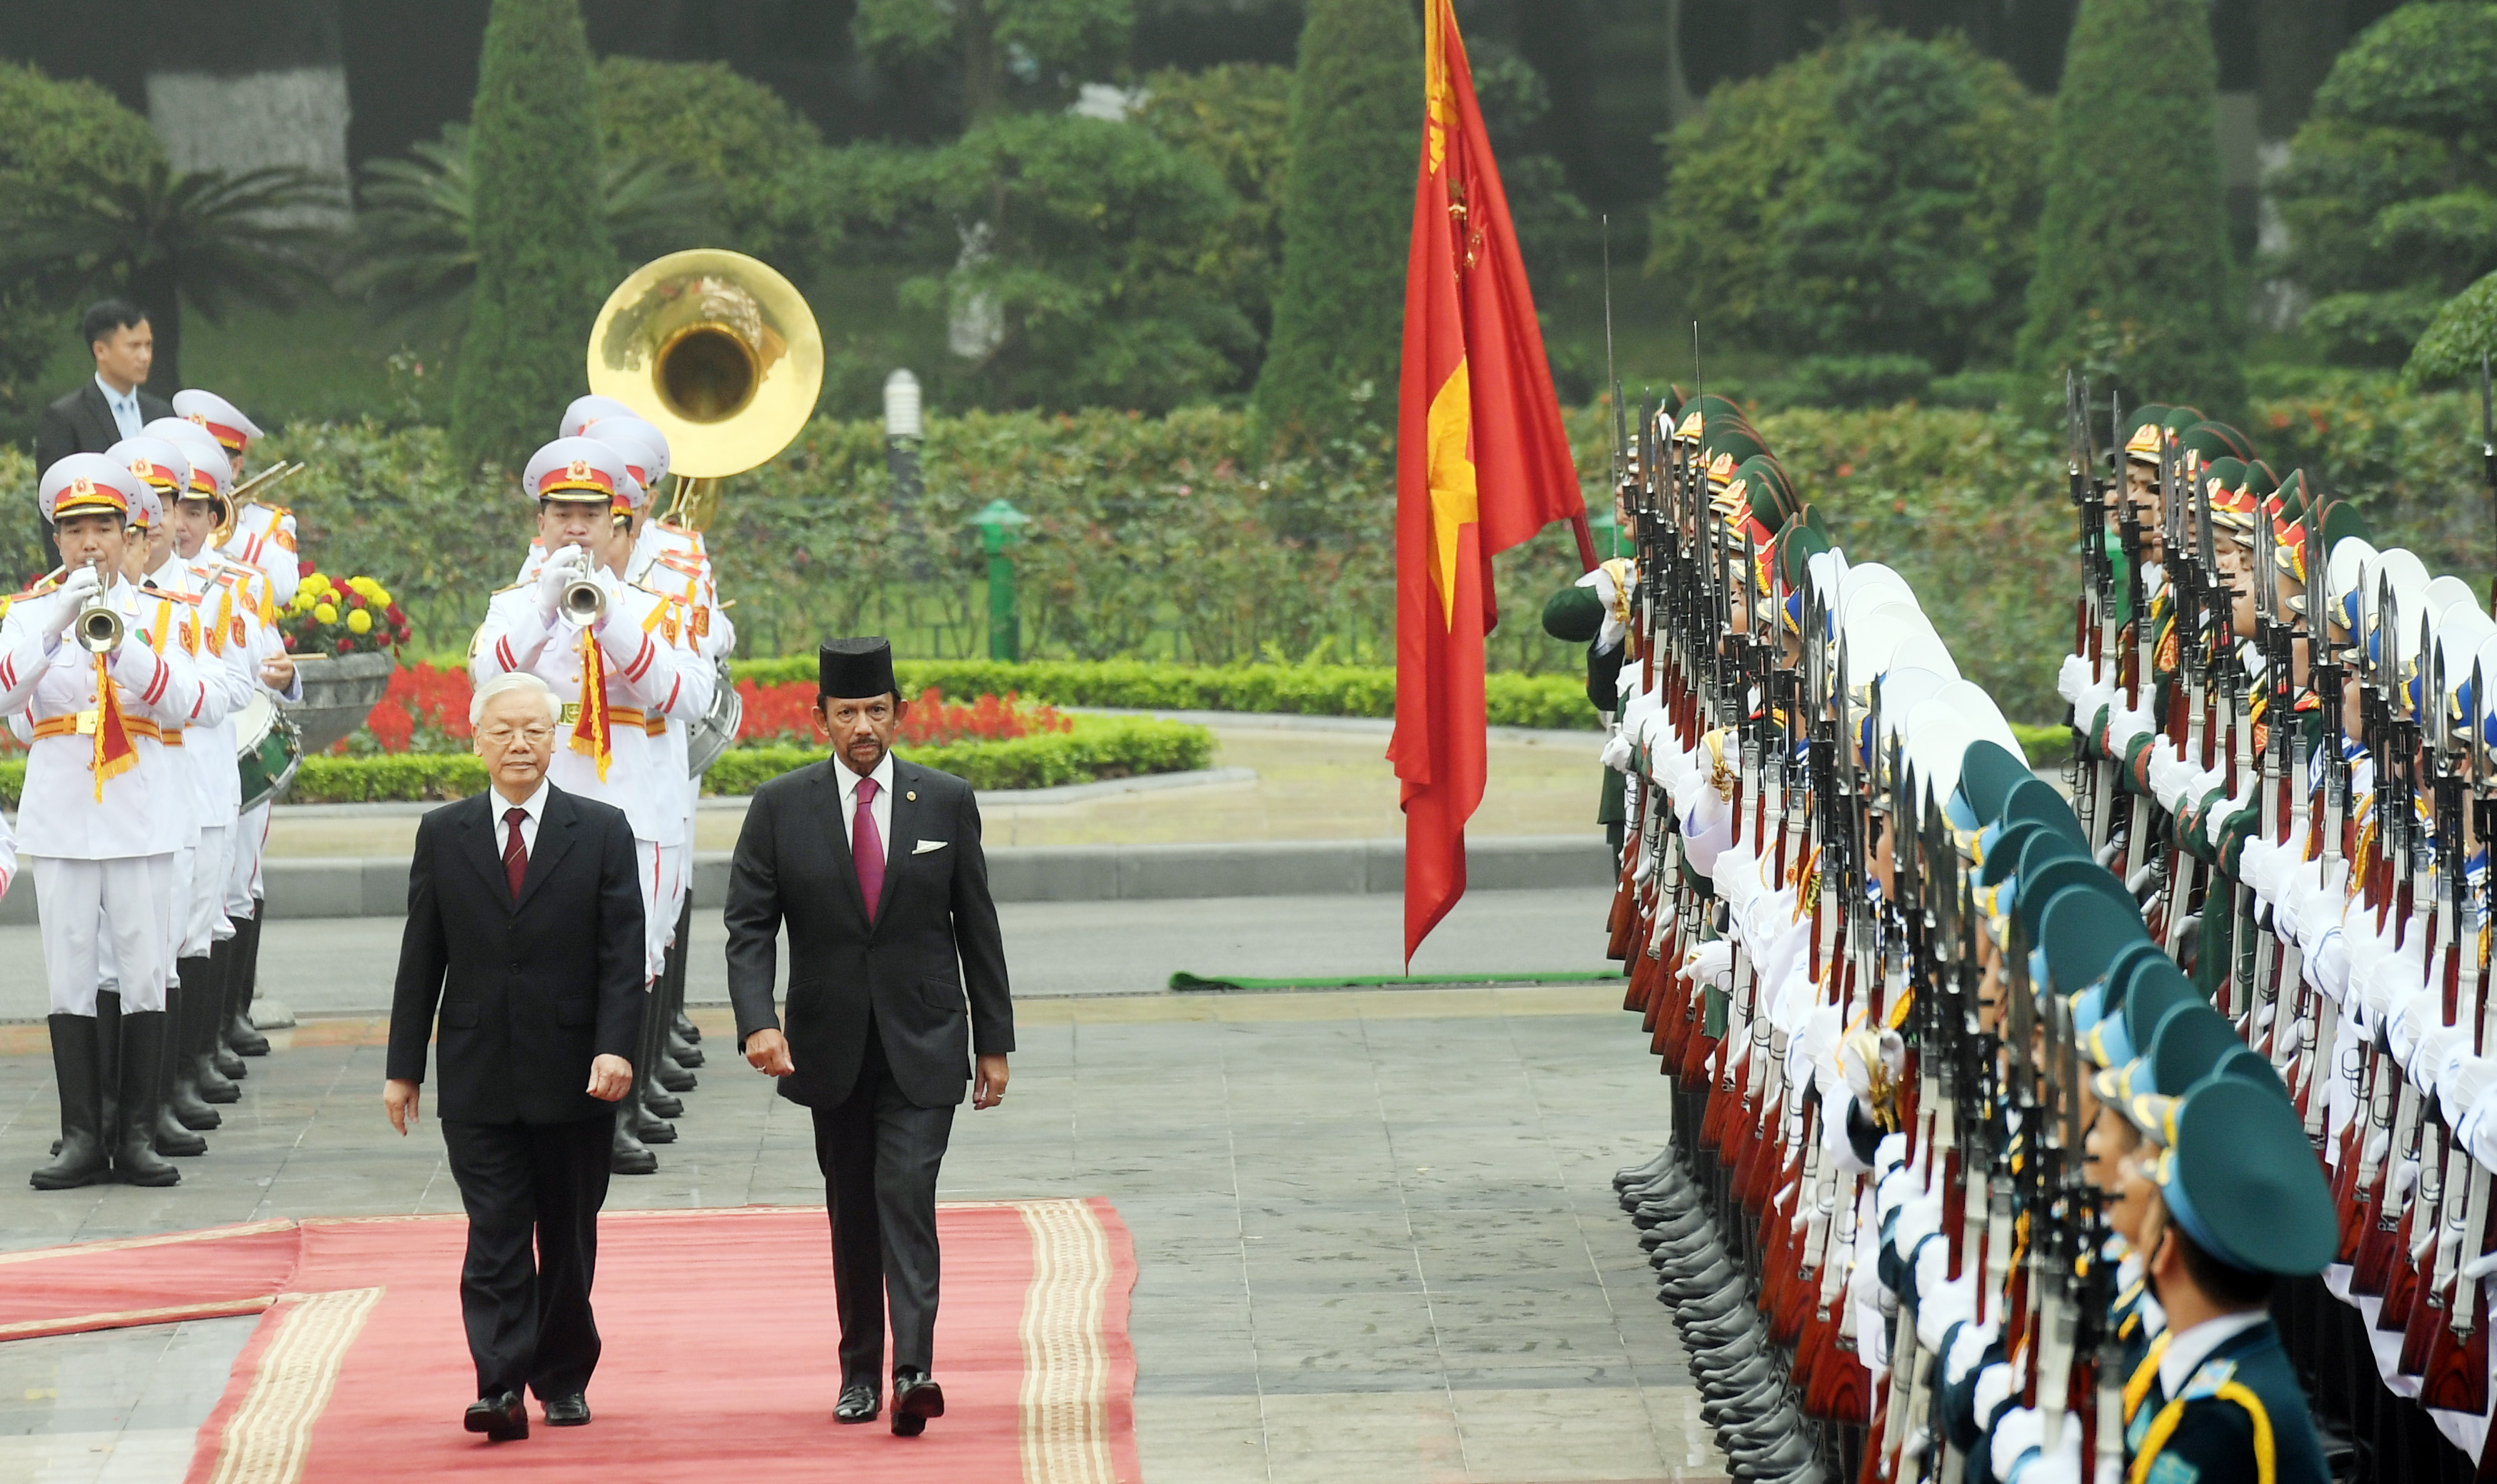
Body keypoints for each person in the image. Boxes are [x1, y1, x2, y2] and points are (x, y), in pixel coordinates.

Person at [724, 637, 1014, 1435]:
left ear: (899, 715)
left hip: (925, 1038)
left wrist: (994, 1040)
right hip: (829, 1043)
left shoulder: (945, 800)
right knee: (851, 1206)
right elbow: (748, 926)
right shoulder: (779, 807)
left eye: (876, 711)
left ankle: (913, 1367)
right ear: (818, 718)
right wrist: (758, 1020)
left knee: (904, 1191)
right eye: (847, 712)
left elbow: (976, 925)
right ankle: (859, 1370)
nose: (863, 726)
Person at [384, 671, 646, 1442]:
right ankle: (497, 1384)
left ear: (556, 734)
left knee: (566, 1233)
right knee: (495, 1232)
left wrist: (616, 1045)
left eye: (534, 727)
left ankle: (562, 1375)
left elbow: (621, 953)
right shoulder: (445, 832)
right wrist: (405, 1066)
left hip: (576, 1072)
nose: (520, 742)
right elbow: (420, 955)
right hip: (478, 1071)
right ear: (477, 740)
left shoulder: (600, 829)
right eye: (503, 729)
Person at [469, 436, 711, 1173]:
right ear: (539, 523)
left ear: (617, 524)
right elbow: (484, 677)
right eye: (561, 513)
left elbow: (687, 695)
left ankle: (618, 1115)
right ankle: (552, 1112)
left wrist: (607, 616)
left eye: (589, 515)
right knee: (548, 968)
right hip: (550, 815)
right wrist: (548, 611)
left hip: (635, 815)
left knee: (628, 967)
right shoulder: (515, 608)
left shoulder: (654, 607)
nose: (575, 529)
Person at [2, 456, 212, 1189]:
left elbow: (192, 701)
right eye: (74, 530)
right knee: (69, 971)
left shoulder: (164, 611)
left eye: (104, 528)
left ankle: (138, 1130)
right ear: (56, 538)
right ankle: (81, 1135)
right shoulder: (29, 612)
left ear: (132, 535)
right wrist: (59, 625)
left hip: (141, 813)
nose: (89, 543)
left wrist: (120, 644)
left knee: (144, 968)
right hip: (62, 812)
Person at [35, 303, 172, 475]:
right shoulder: (66, 418)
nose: (145, 357)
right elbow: (54, 493)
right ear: (101, 350)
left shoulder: (163, 414)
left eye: (148, 345)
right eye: (134, 346)